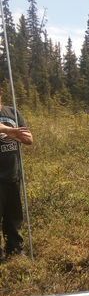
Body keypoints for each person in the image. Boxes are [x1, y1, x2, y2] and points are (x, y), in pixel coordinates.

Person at [0, 86, 33, 258]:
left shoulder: (12, 112)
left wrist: (13, 134)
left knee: (14, 216)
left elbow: (28, 139)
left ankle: (15, 249)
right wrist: (9, 130)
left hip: (13, 174)